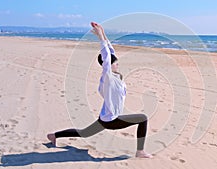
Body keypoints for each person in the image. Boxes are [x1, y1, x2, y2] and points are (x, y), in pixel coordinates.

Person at [47, 22, 153, 158]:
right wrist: (100, 39)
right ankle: (140, 151)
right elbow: (107, 57)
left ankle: (54, 135)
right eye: (115, 63)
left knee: (84, 132)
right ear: (107, 65)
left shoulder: (115, 76)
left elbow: (111, 52)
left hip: (105, 117)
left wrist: (103, 34)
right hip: (111, 120)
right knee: (143, 118)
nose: (117, 64)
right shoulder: (107, 77)